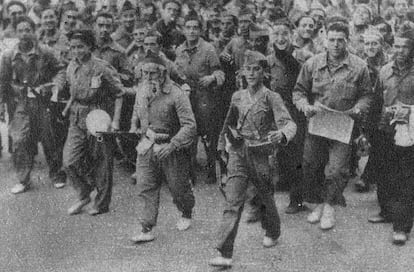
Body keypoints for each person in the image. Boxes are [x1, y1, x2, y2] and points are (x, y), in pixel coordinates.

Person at [209, 50, 296, 268]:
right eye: (247, 69)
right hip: (239, 152)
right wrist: (221, 144)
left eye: (256, 69)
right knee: (233, 200)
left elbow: (289, 123)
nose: (251, 73)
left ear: (264, 72)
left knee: (265, 198)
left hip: (261, 154)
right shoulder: (237, 96)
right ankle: (224, 251)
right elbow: (228, 122)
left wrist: (282, 133)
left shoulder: (271, 97)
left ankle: (273, 230)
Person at [293, 22, 373, 230]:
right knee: (311, 165)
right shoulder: (312, 63)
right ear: (325, 40)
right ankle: (319, 203)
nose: (336, 44)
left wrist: (358, 108)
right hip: (318, 123)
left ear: (348, 40)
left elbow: (366, 95)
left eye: (341, 40)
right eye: (332, 39)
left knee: (337, 170)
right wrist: (305, 106)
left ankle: (330, 206)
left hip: (343, 126)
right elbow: (299, 91)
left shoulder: (359, 67)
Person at [129, 51, 197, 243]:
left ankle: (186, 211)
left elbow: (190, 125)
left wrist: (173, 144)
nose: (149, 78)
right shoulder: (142, 90)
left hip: (171, 147)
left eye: (153, 73)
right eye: (145, 73)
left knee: (177, 188)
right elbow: (137, 109)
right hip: (147, 144)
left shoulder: (177, 94)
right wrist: (134, 125)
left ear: (164, 73)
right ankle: (146, 227)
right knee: (145, 185)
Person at [0, 16, 66, 194]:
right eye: (20, 30)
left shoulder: (45, 51)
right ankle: (23, 179)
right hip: (20, 103)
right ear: (15, 32)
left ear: (33, 31)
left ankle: (57, 175)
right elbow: (3, 81)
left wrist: (55, 87)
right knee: (20, 140)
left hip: (42, 101)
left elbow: (60, 69)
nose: (24, 34)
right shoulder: (8, 56)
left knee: (49, 139)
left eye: (27, 30)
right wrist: (1, 105)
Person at [63, 29, 124, 216]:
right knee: (69, 161)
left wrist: (115, 121)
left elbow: (119, 93)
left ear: (90, 46)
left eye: (80, 47)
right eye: (73, 47)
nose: (76, 51)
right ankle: (84, 193)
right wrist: (67, 108)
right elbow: (73, 93)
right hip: (77, 117)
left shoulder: (101, 67)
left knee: (102, 162)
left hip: (98, 116)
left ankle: (101, 203)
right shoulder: (71, 66)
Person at [368, 25, 414, 245]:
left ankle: (402, 227)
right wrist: (371, 132)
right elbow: (377, 100)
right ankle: (386, 212)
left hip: (410, 132)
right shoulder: (384, 70)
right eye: (396, 46)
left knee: (406, 179)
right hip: (386, 130)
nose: (400, 51)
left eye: (405, 47)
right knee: (385, 175)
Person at [175, 13, 225, 184]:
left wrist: (212, 78)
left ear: (201, 30)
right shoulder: (179, 50)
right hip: (187, 97)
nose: (192, 31)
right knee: (189, 134)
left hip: (205, 98)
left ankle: (212, 170)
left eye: (195, 27)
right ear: (183, 30)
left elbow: (220, 72)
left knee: (208, 136)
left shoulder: (208, 49)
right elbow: (176, 73)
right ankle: (190, 172)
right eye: (188, 27)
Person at [267, 17, 307, 214]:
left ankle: (297, 199)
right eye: (277, 34)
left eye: (285, 34)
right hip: (276, 112)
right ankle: (283, 183)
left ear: (292, 35)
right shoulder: (268, 60)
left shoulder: (302, 56)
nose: (281, 38)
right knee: (280, 154)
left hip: (296, 112)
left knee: (296, 156)